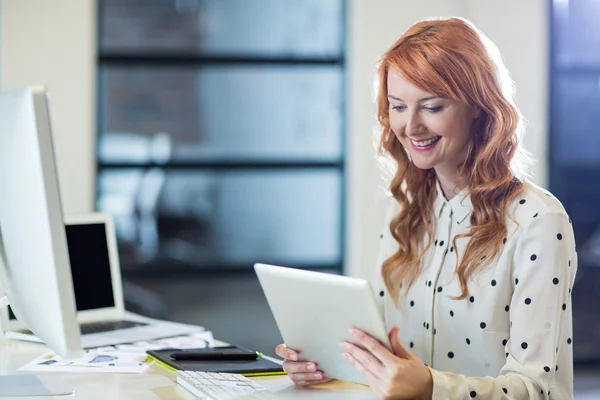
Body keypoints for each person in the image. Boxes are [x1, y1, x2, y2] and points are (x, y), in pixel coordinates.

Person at [275, 17, 577, 400]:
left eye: (432, 107)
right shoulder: (403, 211)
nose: (411, 126)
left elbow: (538, 390)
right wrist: (323, 362)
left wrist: (432, 387)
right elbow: (386, 353)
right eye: (398, 106)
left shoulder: (537, 221)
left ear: (479, 108)